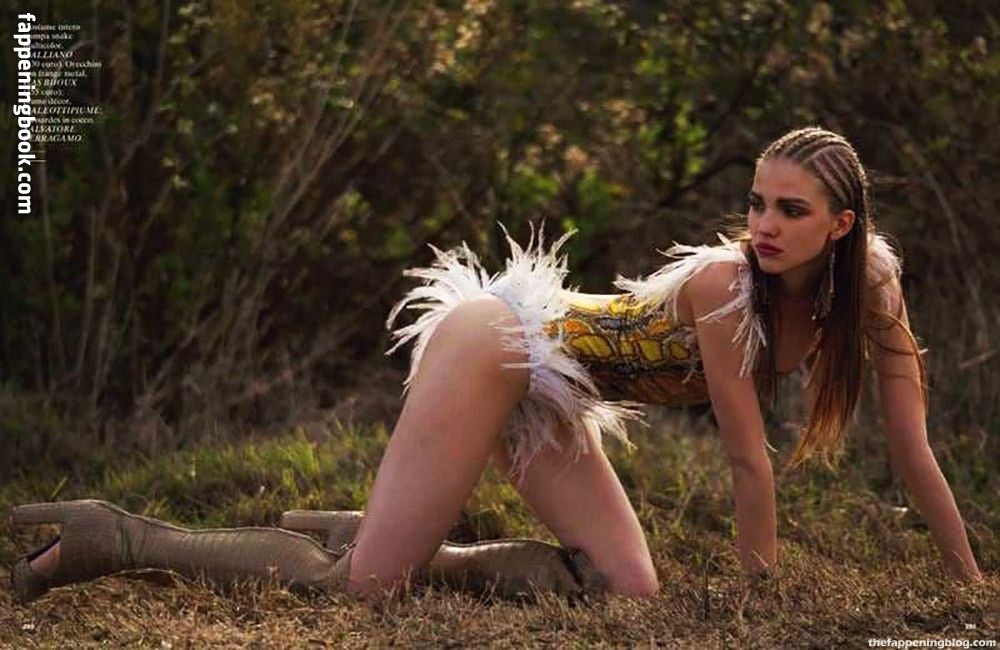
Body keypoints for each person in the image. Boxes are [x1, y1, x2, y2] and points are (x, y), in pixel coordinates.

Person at [9, 127, 983, 606]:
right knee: (363, 591)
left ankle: (385, 528)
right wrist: (758, 605)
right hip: (500, 344)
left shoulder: (874, 289)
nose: (763, 225)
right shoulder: (730, 285)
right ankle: (117, 535)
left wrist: (968, 583)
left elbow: (914, 447)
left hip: (556, 384)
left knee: (623, 586)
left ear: (842, 226)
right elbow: (744, 459)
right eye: (757, 202)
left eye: (790, 211)